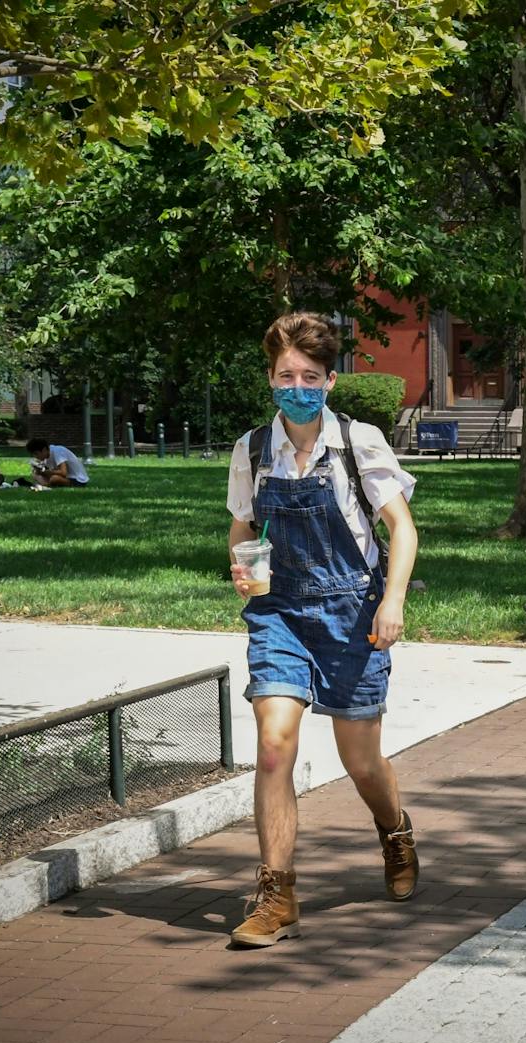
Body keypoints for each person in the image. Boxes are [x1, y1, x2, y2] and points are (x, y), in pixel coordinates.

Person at [224, 311, 421, 948]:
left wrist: (392, 603)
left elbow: (401, 528)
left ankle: (394, 830)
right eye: (286, 374)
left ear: (330, 380)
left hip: (354, 613)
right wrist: (247, 578)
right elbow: (243, 529)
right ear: (270, 377)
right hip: (280, 612)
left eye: (310, 375)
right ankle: (276, 894)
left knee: (360, 761)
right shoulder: (253, 449)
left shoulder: (358, 442)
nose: (297, 385)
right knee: (274, 744)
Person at [25, 438, 90, 488]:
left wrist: (48, 472)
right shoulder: (46, 458)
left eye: (36, 454)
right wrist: (39, 471)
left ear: (44, 450)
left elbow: (63, 472)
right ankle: (46, 484)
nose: (36, 457)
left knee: (54, 478)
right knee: (35, 474)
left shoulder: (58, 451)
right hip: (66, 478)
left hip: (77, 479)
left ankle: (46, 484)